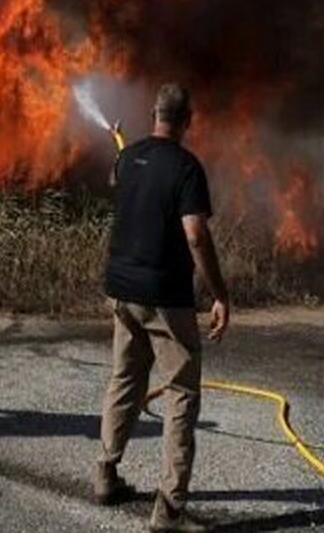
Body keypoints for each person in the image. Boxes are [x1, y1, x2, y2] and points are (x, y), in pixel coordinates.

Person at [95, 83, 230, 532]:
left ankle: (106, 472)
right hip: (165, 299)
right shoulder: (187, 168)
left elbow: (118, 179)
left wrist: (124, 145)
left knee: (125, 379)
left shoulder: (128, 157)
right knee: (181, 394)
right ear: (187, 119)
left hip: (121, 292)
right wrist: (219, 294)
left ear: (154, 113)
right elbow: (195, 234)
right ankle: (169, 509)